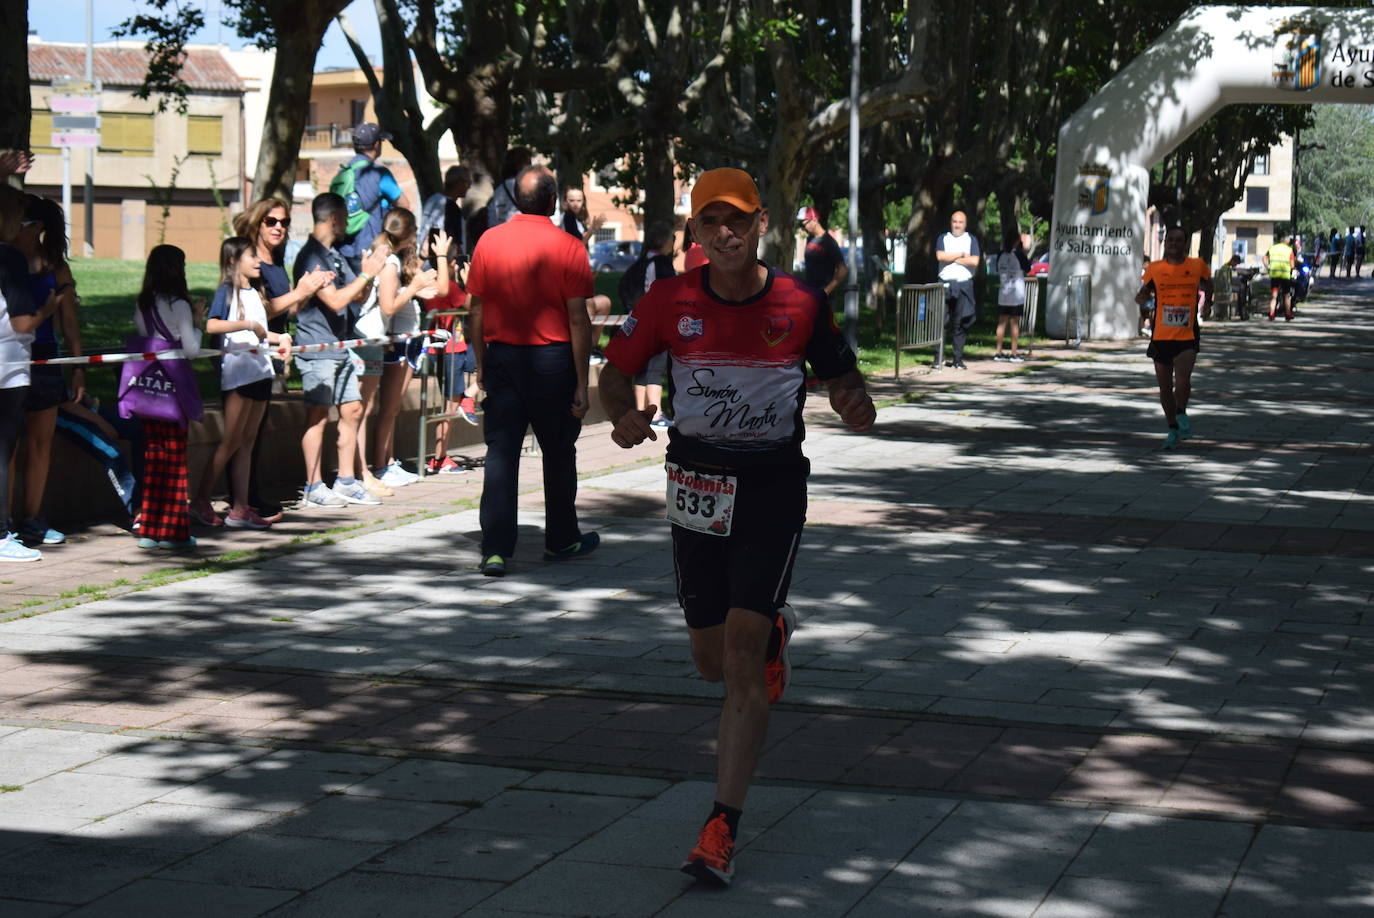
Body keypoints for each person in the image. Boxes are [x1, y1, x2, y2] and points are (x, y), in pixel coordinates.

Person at [599, 167, 876, 888]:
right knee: (710, 660)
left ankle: (721, 827)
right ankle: (773, 631)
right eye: (711, 221)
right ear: (695, 231)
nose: (726, 233)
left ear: (761, 225)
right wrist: (621, 413)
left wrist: (854, 401)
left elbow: (844, 376)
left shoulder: (801, 302)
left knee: (742, 658)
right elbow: (613, 371)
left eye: (739, 220)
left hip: (772, 486)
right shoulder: (667, 300)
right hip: (696, 488)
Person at [467, 166, 597, 577]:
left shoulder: (490, 241)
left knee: (501, 454)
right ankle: (561, 539)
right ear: (553, 200)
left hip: (503, 358)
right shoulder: (569, 246)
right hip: (553, 362)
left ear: (517, 200)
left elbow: (476, 310)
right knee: (558, 453)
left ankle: (495, 549)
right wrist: (582, 381)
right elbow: (578, 319)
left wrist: (481, 364)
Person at [234, 197, 333, 519]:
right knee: (243, 434)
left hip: (269, 354)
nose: (279, 227)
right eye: (271, 221)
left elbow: (286, 309)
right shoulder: (250, 261)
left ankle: (250, 497)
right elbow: (257, 312)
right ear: (258, 222)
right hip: (246, 356)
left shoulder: (275, 261)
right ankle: (240, 500)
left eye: (285, 222)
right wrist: (300, 292)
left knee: (257, 430)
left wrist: (309, 289)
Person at [293, 192, 392, 508]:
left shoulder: (333, 254)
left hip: (340, 346)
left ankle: (346, 481)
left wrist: (367, 275)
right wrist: (365, 275)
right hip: (317, 348)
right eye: (346, 218)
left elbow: (356, 296)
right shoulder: (311, 257)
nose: (348, 224)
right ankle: (313, 486)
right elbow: (335, 300)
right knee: (318, 416)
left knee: (353, 410)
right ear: (335, 219)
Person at [191, 237, 290, 529]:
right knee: (231, 440)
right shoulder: (226, 291)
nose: (258, 262)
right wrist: (248, 324)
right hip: (238, 374)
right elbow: (213, 325)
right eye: (251, 256)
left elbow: (260, 333)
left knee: (247, 442)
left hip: (260, 371)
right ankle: (200, 500)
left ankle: (240, 508)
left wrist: (281, 338)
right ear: (234, 260)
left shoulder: (256, 293)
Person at [10, 195, 80, 548]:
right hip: (11, 358)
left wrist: (78, 368)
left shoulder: (55, 266)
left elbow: (70, 323)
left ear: (36, 227)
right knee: (8, 445)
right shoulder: (6, 260)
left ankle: (32, 520)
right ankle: (6, 524)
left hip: (46, 359)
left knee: (40, 445)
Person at [359, 208, 445, 489]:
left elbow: (439, 290)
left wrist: (421, 282)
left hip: (395, 340)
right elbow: (388, 306)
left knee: (388, 408)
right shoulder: (390, 262)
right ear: (408, 234)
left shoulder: (394, 260)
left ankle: (387, 462)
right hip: (386, 340)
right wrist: (414, 287)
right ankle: (379, 466)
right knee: (381, 408)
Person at [130, 245, 204, 550]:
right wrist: (197, 323)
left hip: (149, 390)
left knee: (153, 458)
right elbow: (191, 350)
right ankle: (174, 531)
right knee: (174, 459)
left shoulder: (143, 304)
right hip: (173, 390)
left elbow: (145, 338)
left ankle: (149, 528)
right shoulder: (181, 305)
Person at [0, 185, 60, 562]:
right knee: (4, 449)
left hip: (16, 364)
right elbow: (22, 323)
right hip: (9, 366)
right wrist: (47, 310)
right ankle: (3, 532)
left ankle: (16, 526)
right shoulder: (9, 258)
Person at [1135, 226, 1211, 450]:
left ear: (1185, 244)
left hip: (1187, 334)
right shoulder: (1155, 268)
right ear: (1165, 242)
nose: (1174, 244)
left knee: (1183, 380)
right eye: (1170, 240)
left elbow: (1209, 283)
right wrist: (1142, 299)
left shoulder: (1197, 265)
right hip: (1161, 335)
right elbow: (1144, 292)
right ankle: (1172, 427)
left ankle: (1181, 412)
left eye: (1178, 240)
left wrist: (1208, 303)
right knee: (1165, 387)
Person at [424, 231, 481, 475]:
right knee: (449, 406)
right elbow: (470, 304)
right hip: (449, 352)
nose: (456, 264)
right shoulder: (445, 286)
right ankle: (439, 458)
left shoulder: (436, 283)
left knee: (495, 362)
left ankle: (469, 396)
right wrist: (469, 282)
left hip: (455, 349)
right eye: (453, 261)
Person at [618, 221, 676, 428]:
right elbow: (670, 294)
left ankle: (641, 412)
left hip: (635, 322)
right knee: (655, 369)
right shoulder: (662, 264)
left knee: (642, 370)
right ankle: (656, 414)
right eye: (672, 238)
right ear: (666, 241)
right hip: (656, 324)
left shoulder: (639, 264)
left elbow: (623, 288)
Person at [334, 123, 407, 272]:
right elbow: (405, 205)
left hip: (343, 248)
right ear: (376, 145)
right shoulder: (379, 173)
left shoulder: (343, 172)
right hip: (370, 248)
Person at [559, 186, 613, 355]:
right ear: (565, 202)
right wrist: (593, 229)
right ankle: (582, 351)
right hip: (571, 280)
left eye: (579, 200)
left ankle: (591, 347)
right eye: (571, 200)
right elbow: (577, 244)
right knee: (586, 309)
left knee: (604, 304)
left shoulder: (576, 220)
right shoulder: (567, 218)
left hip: (581, 276)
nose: (575, 204)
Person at [936, 210, 981, 369]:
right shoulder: (943, 238)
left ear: (965, 224)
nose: (957, 225)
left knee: (960, 323)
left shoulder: (971, 240)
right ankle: (938, 358)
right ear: (951, 223)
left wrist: (951, 258)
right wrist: (962, 255)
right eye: (955, 221)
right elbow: (940, 256)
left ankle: (957, 359)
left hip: (964, 285)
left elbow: (974, 261)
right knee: (940, 322)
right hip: (945, 284)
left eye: (960, 222)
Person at [797, 206, 847, 310]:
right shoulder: (810, 239)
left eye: (804, 223)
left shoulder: (829, 242)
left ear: (814, 220)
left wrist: (826, 291)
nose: (803, 227)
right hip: (810, 296)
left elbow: (843, 270)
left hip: (824, 300)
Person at [993, 231, 1030, 362]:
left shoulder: (1000, 255)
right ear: (1017, 241)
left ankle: (998, 351)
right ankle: (1014, 353)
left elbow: (997, 269)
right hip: (1016, 293)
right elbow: (1028, 268)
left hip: (1004, 292)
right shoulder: (1019, 255)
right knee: (1014, 323)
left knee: (1002, 322)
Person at [484, 147, 533, 231]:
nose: (531, 168)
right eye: (529, 163)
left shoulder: (499, 190)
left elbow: (492, 218)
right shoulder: (526, 188)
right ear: (520, 165)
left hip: (501, 234)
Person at [1264, 234, 1295, 322]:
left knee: (1274, 296)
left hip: (1274, 275)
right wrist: (1292, 269)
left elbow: (1264, 258)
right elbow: (1292, 265)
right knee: (1286, 295)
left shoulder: (1273, 248)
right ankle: (1288, 314)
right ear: (1287, 241)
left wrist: (1268, 267)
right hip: (1285, 276)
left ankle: (1271, 313)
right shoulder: (1289, 250)